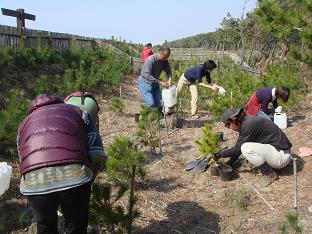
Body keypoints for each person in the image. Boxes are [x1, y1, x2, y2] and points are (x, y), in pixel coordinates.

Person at [17, 94, 105, 234]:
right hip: (75, 175)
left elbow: (23, 159)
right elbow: (97, 153)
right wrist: (89, 179)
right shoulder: (78, 112)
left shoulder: (23, 124)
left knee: (45, 227)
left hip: (34, 182)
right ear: (61, 102)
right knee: (76, 226)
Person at [213, 108, 292, 188]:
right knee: (245, 146)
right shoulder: (247, 122)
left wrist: (220, 154)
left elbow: (238, 149)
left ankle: (269, 174)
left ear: (233, 120)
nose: (230, 128)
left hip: (281, 157)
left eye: (228, 125)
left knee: (246, 148)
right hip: (278, 152)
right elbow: (238, 148)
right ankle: (270, 169)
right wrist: (230, 163)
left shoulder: (248, 124)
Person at [137, 46, 172, 112]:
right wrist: (161, 82)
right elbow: (147, 75)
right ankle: (146, 118)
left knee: (160, 104)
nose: (166, 59)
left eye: (167, 57)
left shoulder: (165, 61)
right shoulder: (150, 60)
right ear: (159, 53)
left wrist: (169, 79)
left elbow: (168, 71)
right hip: (145, 83)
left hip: (155, 83)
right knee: (151, 104)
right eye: (165, 57)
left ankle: (158, 119)